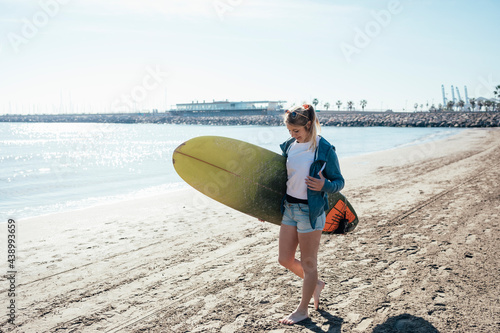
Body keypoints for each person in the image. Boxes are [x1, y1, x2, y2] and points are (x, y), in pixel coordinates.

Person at [278, 104, 344, 325]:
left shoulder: (324, 149)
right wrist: (266, 208)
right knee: (284, 259)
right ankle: (315, 284)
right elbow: (285, 180)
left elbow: (339, 182)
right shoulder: (289, 146)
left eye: (296, 131)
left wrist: (324, 185)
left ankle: (303, 309)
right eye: (289, 131)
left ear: (308, 125)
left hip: (310, 212)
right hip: (289, 208)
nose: (293, 135)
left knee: (309, 264)